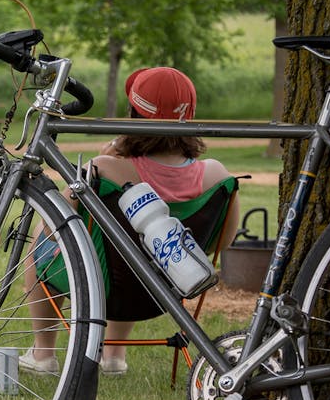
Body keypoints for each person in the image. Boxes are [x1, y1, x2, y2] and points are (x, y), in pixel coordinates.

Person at [20, 66, 239, 377]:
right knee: (137, 256)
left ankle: (43, 354)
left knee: (38, 247)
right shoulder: (217, 176)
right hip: (164, 292)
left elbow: (52, 228)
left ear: (133, 116)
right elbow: (222, 244)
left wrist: (103, 160)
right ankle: (113, 355)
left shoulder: (108, 168)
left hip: (106, 291)